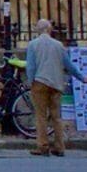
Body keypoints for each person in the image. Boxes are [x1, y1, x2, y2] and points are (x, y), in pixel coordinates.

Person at [24, 18, 71, 157]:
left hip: (40, 82)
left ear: (38, 30)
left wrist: (30, 80)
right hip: (56, 83)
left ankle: (43, 146)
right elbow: (68, 65)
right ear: (50, 29)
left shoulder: (33, 44)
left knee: (41, 116)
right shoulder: (59, 45)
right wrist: (82, 77)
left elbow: (31, 66)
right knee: (57, 117)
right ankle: (60, 146)